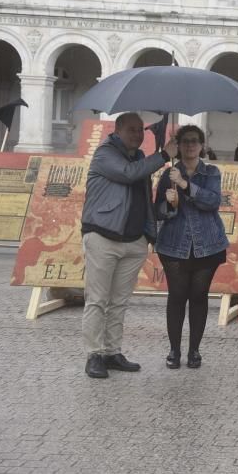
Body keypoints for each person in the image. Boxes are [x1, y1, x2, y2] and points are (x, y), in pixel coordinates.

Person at [81, 113, 177, 379]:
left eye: (140, 130)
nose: (137, 134)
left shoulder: (137, 158)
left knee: (119, 302)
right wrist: (163, 156)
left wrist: (151, 228)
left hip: (133, 239)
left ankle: (112, 351)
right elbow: (127, 175)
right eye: (132, 129)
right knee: (98, 300)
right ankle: (94, 354)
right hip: (103, 235)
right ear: (118, 130)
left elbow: (142, 194)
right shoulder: (105, 153)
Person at [154, 125, 230, 369]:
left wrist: (186, 186)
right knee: (177, 296)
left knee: (199, 296)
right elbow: (158, 211)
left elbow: (212, 201)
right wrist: (170, 204)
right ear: (178, 145)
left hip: (207, 244)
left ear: (202, 145)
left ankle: (194, 350)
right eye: (185, 141)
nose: (190, 145)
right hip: (174, 244)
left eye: (194, 141)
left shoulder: (211, 172)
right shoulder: (169, 174)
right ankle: (174, 351)